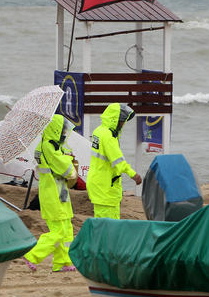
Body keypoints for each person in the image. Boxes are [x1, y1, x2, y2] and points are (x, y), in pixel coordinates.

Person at [23, 114, 79, 272]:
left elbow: (59, 160)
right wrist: (69, 161)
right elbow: (67, 170)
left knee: (67, 229)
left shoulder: (48, 146)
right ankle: (33, 255)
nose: (64, 133)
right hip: (53, 194)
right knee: (59, 231)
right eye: (62, 130)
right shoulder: (48, 146)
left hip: (59, 193)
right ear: (56, 130)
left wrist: (65, 155)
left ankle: (63, 262)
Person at [87, 103, 142, 219]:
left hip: (98, 183)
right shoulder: (108, 137)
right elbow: (118, 161)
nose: (123, 124)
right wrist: (134, 175)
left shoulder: (99, 131)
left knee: (102, 223)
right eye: (122, 121)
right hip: (105, 187)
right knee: (108, 226)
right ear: (114, 119)